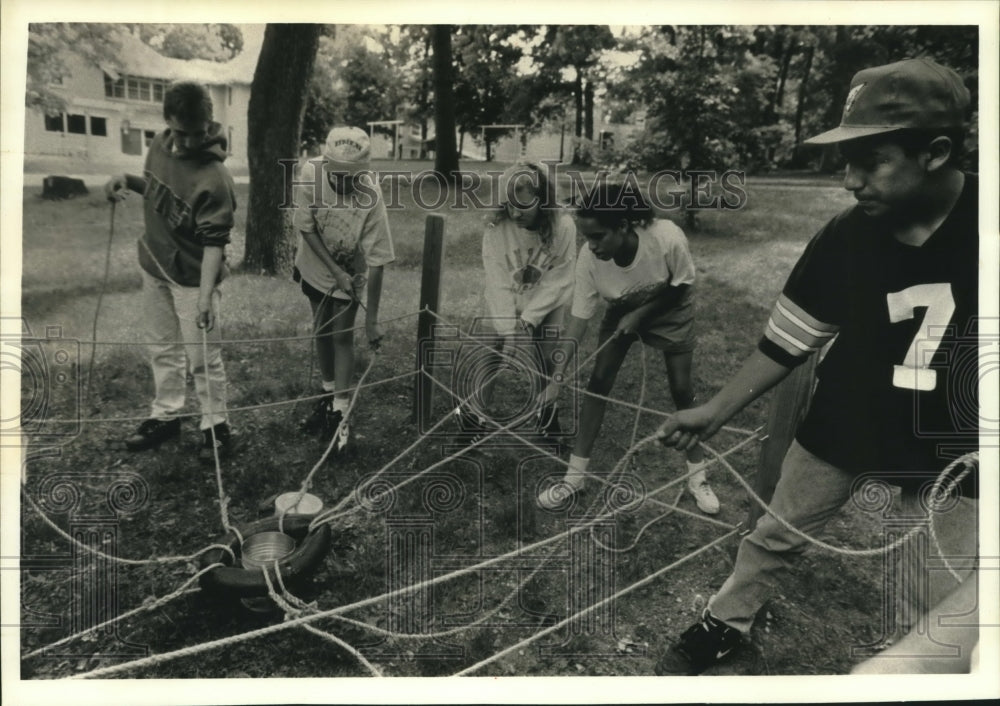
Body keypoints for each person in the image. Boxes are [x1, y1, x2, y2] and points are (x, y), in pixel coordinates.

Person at [656, 57, 978, 675]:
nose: (850, 181)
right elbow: (787, 340)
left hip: (955, 450)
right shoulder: (845, 236)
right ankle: (727, 621)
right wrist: (713, 411)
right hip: (846, 421)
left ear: (935, 152)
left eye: (871, 160)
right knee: (775, 531)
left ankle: (922, 669)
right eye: (845, 162)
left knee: (943, 594)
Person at [538, 181, 719, 514]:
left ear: (622, 226)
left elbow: (683, 285)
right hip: (622, 307)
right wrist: (556, 377)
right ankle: (573, 479)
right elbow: (579, 319)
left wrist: (641, 314)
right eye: (586, 237)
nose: (590, 246)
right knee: (598, 383)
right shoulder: (589, 259)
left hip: (669, 306)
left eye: (597, 237)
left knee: (682, 390)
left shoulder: (667, 237)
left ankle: (698, 477)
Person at [105, 81, 238, 463]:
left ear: (209, 124)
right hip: (155, 265)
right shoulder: (160, 145)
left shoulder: (214, 178)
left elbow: (215, 242)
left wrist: (203, 298)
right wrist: (128, 181)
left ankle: (217, 427)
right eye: (179, 133)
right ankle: (166, 415)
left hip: (194, 278)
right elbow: (158, 187)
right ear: (167, 123)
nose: (185, 144)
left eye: (195, 135)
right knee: (161, 346)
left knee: (203, 358)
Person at [456, 162, 576, 444]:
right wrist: (509, 330)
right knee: (490, 352)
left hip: (546, 297)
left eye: (522, 206)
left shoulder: (564, 226)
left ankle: (547, 413)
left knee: (546, 356)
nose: (514, 213)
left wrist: (527, 322)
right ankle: (475, 418)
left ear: (542, 200)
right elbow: (496, 282)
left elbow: (559, 280)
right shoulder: (496, 228)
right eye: (509, 205)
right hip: (506, 295)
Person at [293, 126, 394, 451]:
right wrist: (333, 270)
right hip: (315, 263)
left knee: (341, 336)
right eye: (336, 176)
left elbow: (378, 258)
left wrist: (373, 319)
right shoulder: (310, 173)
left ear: (364, 173)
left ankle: (340, 411)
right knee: (321, 331)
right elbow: (306, 227)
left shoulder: (371, 195)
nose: (342, 183)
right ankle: (326, 397)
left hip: (352, 270)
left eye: (351, 178)